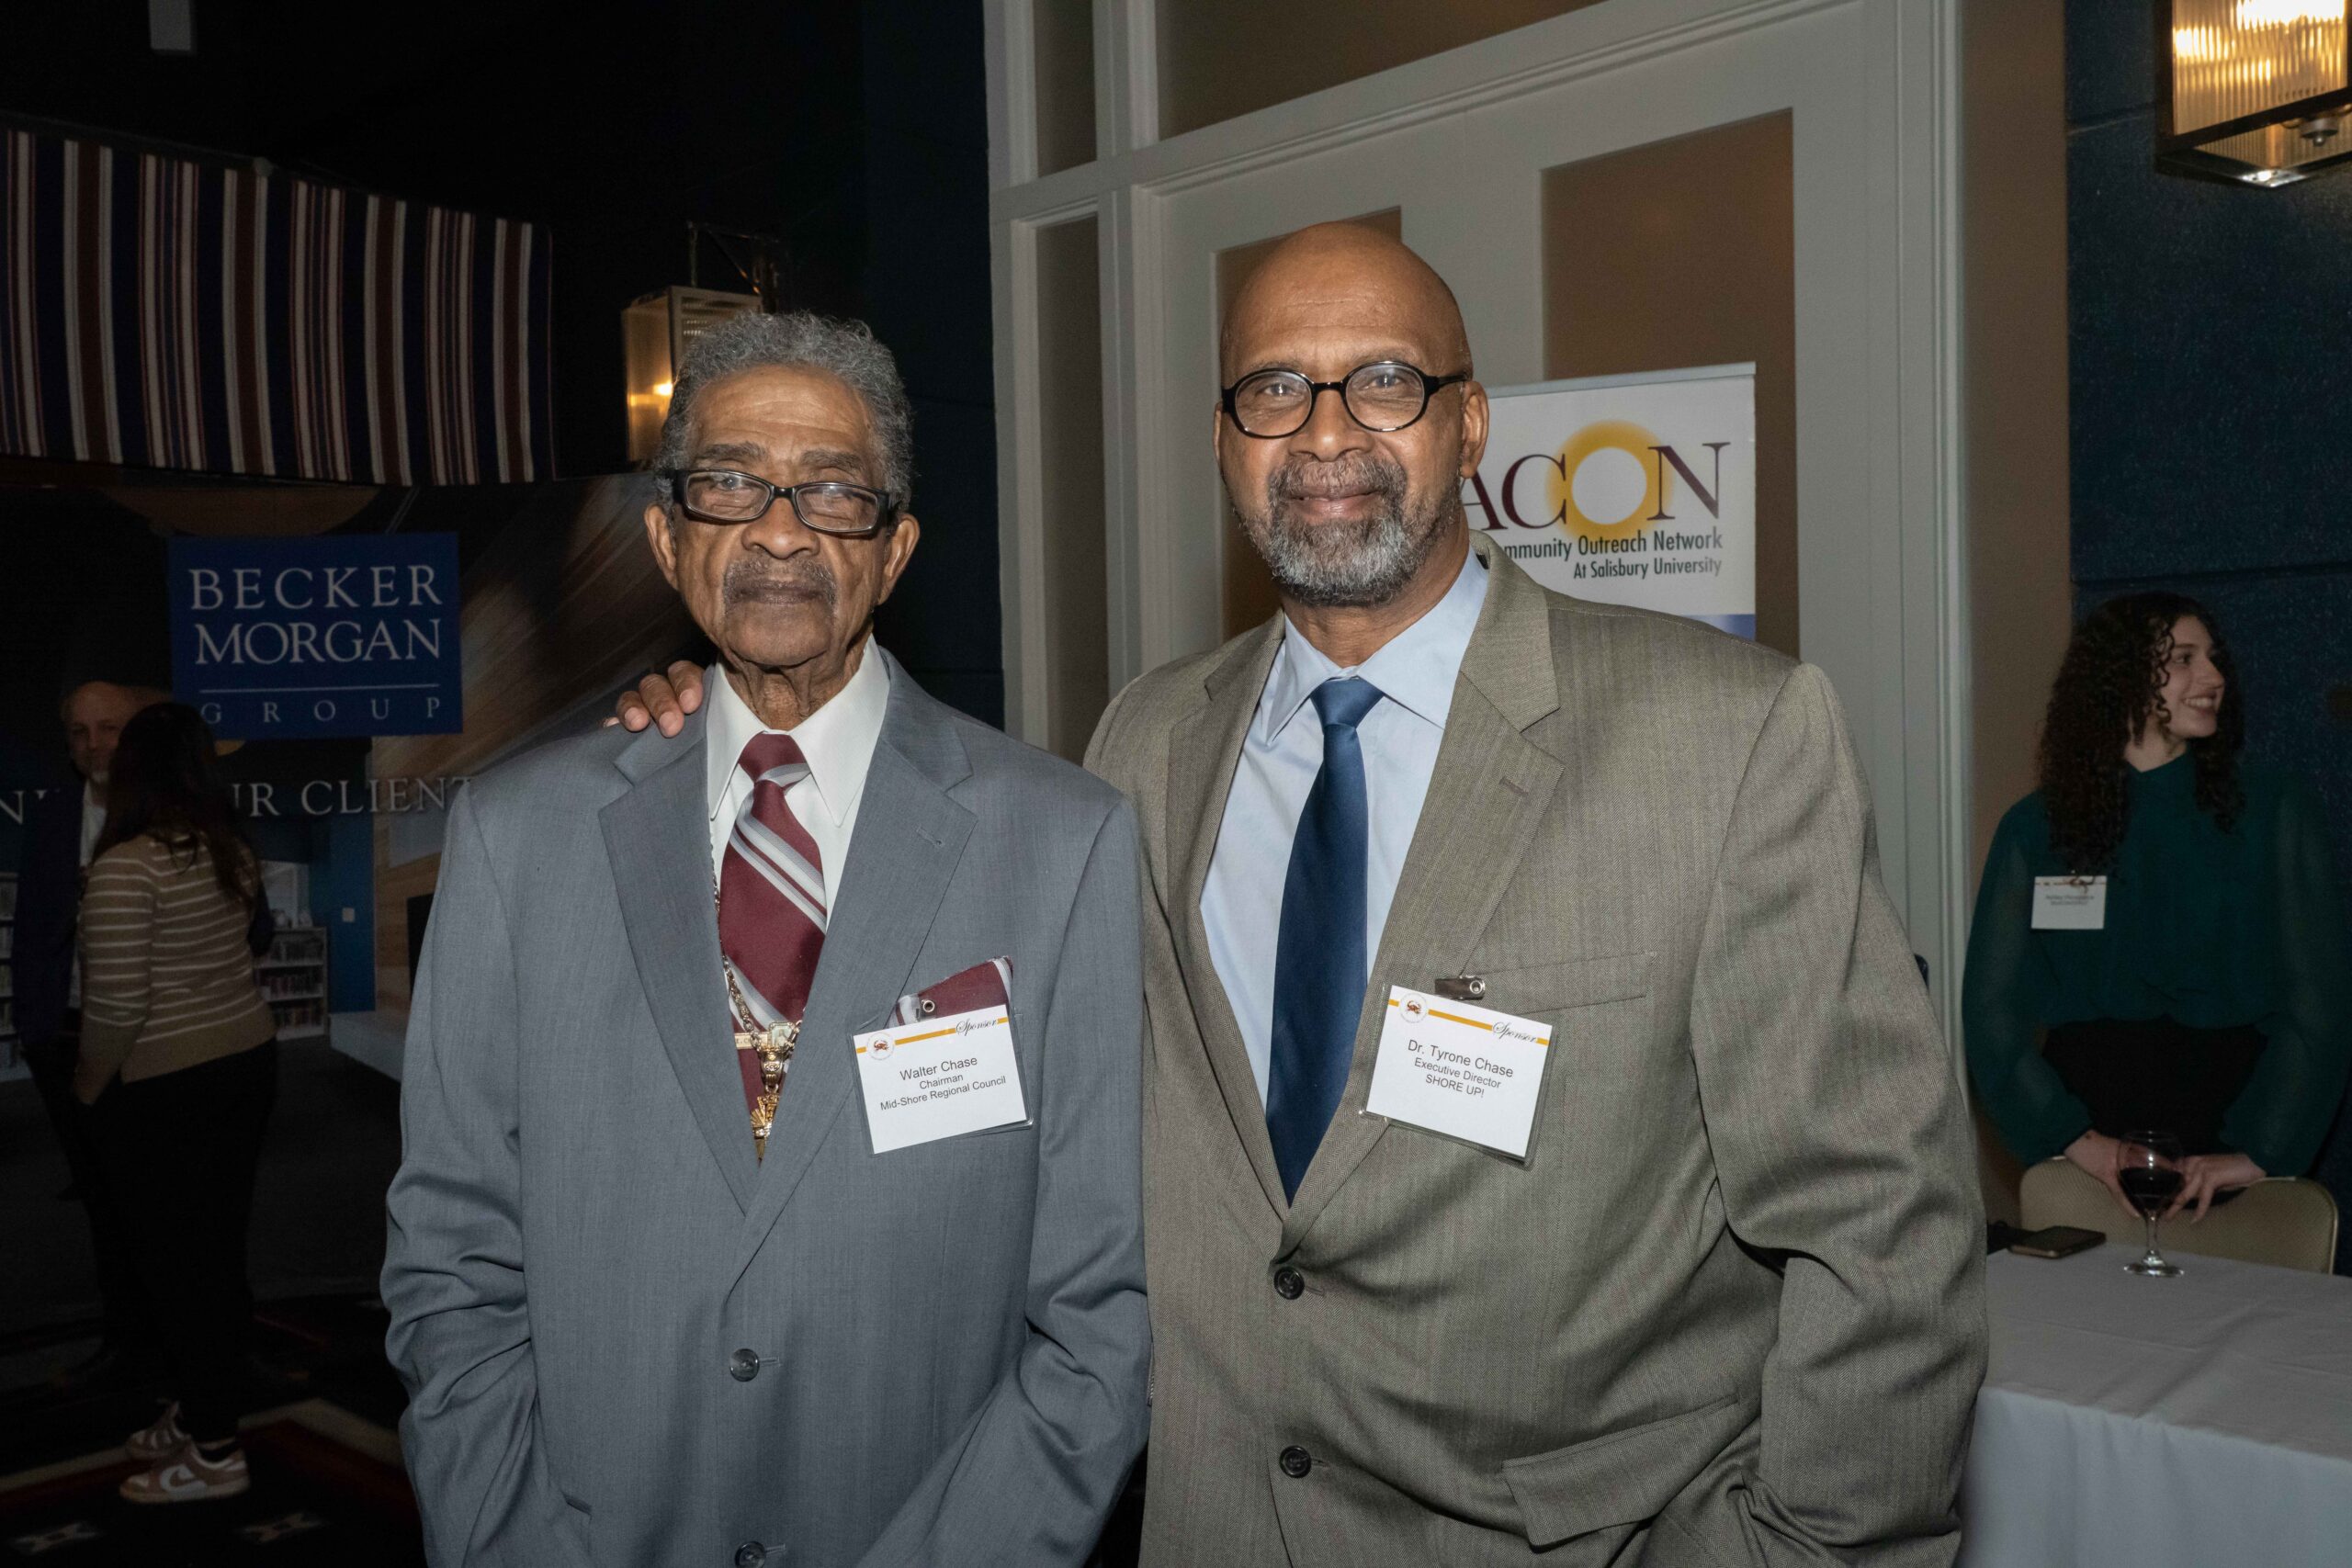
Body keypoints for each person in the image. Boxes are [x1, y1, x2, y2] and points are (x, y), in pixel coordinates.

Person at [619, 226, 1986, 1565]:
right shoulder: (1140, 748)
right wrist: (731, 733)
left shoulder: (1727, 736)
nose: (1326, 432)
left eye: (1387, 380)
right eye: (1274, 388)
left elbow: (1879, 1227)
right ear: (1225, 444)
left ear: (1471, 425)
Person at [385, 310, 1148, 1566]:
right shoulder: (518, 836)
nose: (782, 529)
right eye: (732, 482)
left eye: (834, 491)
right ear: (666, 536)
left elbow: (1098, 1301)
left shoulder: (1062, 841)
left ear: (894, 550)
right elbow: (450, 1255)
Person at [1964, 592, 2352, 1222]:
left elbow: (2320, 1005)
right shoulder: (2036, 829)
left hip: (2233, 1159)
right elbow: (1991, 1016)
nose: (2214, 677)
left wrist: (2258, 1151)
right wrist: (2076, 1142)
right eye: (2184, 659)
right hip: (2087, 1167)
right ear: (2118, 678)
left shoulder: (2276, 811)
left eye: (2215, 658)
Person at [73, 702, 279, 1503]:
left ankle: (217, 1451)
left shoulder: (125, 866)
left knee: (178, 1267)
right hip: (244, 1066)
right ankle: (198, 1411)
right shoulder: (228, 850)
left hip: (169, 1089)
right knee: (213, 1256)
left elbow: (117, 1010)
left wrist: (89, 1089)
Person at [14, 677, 166, 1394]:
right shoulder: (51, 814)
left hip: (158, 1040)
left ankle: (189, 1348)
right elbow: (34, 927)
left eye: (109, 727)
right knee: (105, 1203)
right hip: (68, 1038)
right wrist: (36, 1028)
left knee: (169, 1203)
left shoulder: (175, 809)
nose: (94, 744)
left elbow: (244, 923)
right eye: (79, 731)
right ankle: (124, 1345)